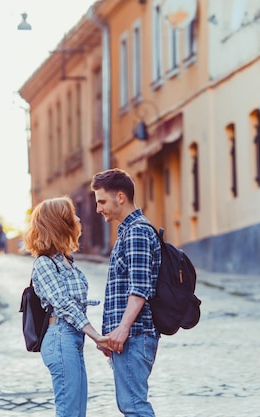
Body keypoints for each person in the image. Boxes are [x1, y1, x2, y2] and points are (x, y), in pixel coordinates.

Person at [22, 196, 109, 417]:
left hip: (72, 338)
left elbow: (75, 302)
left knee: (77, 412)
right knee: (69, 412)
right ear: (57, 223)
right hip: (60, 338)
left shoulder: (65, 260)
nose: (77, 218)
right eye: (71, 215)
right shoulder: (44, 264)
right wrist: (96, 336)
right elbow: (64, 305)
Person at [90, 168, 162, 417]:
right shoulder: (127, 232)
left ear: (120, 197)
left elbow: (139, 288)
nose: (98, 208)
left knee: (134, 406)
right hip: (127, 337)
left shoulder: (137, 232)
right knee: (130, 404)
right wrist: (111, 334)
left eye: (102, 201)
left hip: (135, 335)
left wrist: (122, 329)